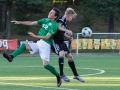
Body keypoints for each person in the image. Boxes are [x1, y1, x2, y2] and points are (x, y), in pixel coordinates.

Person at [2, 7, 62, 87]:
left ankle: (58, 76)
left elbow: (47, 37)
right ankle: (11, 56)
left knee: (46, 65)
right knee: (24, 46)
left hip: (45, 45)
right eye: (50, 11)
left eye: (51, 13)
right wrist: (19, 22)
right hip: (39, 42)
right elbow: (31, 23)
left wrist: (34, 36)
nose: (49, 13)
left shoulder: (54, 25)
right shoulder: (45, 20)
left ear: (55, 17)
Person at [51, 7, 85, 82]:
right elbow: (58, 27)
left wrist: (68, 37)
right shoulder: (61, 19)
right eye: (72, 17)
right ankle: (61, 74)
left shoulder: (65, 22)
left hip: (61, 41)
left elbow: (62, 32)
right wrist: (67, 30)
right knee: (62, 53)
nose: (72, 19)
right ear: (69, 16)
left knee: (70, 56)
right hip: (55, 41)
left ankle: (76, 75)